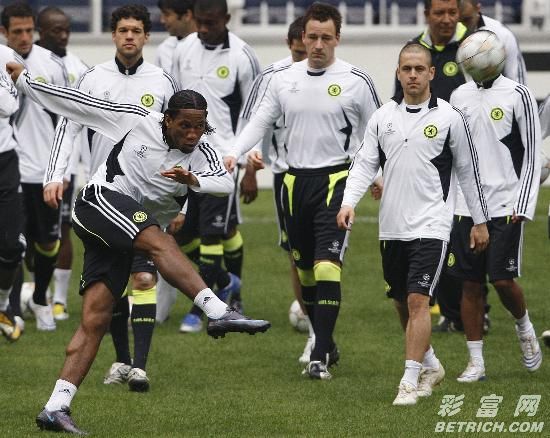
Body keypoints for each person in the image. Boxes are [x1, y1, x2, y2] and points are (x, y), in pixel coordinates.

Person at [7, 61, 271, 435]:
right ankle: (218, 310)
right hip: (99, 202)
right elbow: (75, 103)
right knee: (159, 241)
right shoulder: (135, 119)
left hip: (123, 232)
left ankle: (55, 407)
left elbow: (224, 183)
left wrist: (193, 179)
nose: (193, 133)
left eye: (199, 126)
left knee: (96, 318)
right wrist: (26, 81)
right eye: (185, 125)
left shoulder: (203, 149)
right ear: (167, 119)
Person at [226, 2, 381, 380]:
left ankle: (319, 355)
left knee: (327, 266)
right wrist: (235, 152)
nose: (318, 45)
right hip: (293, 185)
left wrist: (378, 175)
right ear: (303, 37)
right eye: (312, 37)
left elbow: (377, 133)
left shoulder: (357, 80)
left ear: (338, 38)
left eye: (326, 38)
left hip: (336, 182)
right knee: (306, 273)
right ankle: (324, 339)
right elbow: (259, 121)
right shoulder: (283, 79)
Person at [337, 43, 489, 405]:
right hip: (392, 227)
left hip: (432, 225)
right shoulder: (382, 118)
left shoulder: (451, 118)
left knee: (419, 299)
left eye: (420, 69)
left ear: (432, 73)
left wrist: (479, 221)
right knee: (401, 302)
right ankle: (431, 363)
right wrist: (347, 203)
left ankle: (408, 382)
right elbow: (364, 164)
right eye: (406, 69)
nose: (413, 75)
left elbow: (468, 172)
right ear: (398, 73)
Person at [44, 4, 180, 392]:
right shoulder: (92, 78)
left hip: (148, 197)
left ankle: (140, 366)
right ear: (113, 35)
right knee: (111, 284)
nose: (129, 36)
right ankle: (122, 359)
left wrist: (179, 201)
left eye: (136, 30)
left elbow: (180, 141)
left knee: (143, 276)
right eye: (123, 30)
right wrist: (55, 175)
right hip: (104, 198)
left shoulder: (162, 82)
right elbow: (68, 127)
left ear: (147, 36)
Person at [448, 31, 542, 382]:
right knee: (470, 285)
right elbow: (454, 153)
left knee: (502, 280)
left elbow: (533, 153)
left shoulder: (518, 94)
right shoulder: (459, 96)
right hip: (466, 206)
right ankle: (476, 362)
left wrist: (524, 202)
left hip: (506, 203)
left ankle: (524, 327)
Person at [171, 0, 261, 333]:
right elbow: (174, 102)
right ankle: (227, 283)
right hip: (186, 155)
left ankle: (202, 309)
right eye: (200, 22)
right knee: (184, 233)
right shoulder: (183, 49)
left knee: (213, 233)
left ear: (226, 18)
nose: (204, 29)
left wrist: (249, 164)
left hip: (223, 160)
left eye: (211, 23)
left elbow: (254, 113)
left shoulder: (243, 55)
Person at [240, 16, 310, 363]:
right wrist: (251, 165)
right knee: (297, 253)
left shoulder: (340, 77)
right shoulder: (271, 77)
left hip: (331, 175)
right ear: (289, 44)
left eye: (308, 52)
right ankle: (312, 319)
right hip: (287, 175)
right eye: (298, 53)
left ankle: (318, 326)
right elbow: (253, 123)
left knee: (328, 257)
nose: (303, 59)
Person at [0, 2, 68, 332]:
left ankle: (40, 298)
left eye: (30, 30)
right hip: (12, 165)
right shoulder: (1, 61)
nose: (25, 37)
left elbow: (68, 117)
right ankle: (11, 309)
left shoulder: (52, 65)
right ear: (4, 32)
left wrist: (63, 169)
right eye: (18, 31)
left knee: (47, 242)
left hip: (45, 171)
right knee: (12, 241)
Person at [36, 6, 89, 322]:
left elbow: (80, 122)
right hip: (26, 165)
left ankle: (58, 300)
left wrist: (70, 169)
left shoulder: (79, 68)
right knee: (29, 236)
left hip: (63, 170)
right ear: (41, 31)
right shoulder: (27, 63)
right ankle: (35, 294)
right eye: (57, 30)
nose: (64, 35)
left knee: (63, 230)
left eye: (67, 29)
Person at [396, 0, 468, 102]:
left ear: (459, 13)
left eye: (452, 13)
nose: (447, 20)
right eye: (439, 13)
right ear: (427, 14)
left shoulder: (473, 47)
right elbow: (399, 98)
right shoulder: (412, 50)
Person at [0, 45, 24, 342]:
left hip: (4, 160)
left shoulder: (5, 56)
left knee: (10, 245)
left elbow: (9, 105)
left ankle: (3, 305)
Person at [460, 0, 526, 84]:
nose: (460, 25)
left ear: (477, 8)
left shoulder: (502, 34)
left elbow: (517, 81)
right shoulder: (446, 34)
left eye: (466, 20)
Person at [156, 0, 197, 73]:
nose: (162, 20)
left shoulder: (209, 45)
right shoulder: (164, 48)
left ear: (187, 15)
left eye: (167, 14)